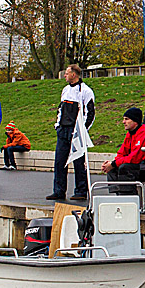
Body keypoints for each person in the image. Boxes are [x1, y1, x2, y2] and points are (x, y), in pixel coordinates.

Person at [47, 64, 96, 202]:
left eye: (67, 73)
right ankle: (58, 190)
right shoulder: (65, 90)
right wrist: (58, 126)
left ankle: (81, 190)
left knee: (79, 162)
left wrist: (83, 130)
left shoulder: (85, 91)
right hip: (63, 129)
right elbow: (60, 109)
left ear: (74, 74)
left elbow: (90, 112)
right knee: (59, 161)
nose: (65, 76)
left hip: (77, 131)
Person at [100, 108, 145, 192]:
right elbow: (121, 153)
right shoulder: (130, 134)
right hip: (139, 166)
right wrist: (111, 164)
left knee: (125, 168)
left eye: (127, 119)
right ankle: (118, 197)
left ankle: (130, 199)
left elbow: (135, 158)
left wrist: (114, 163)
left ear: (135, 121)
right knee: (113, 169)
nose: (123, 122)